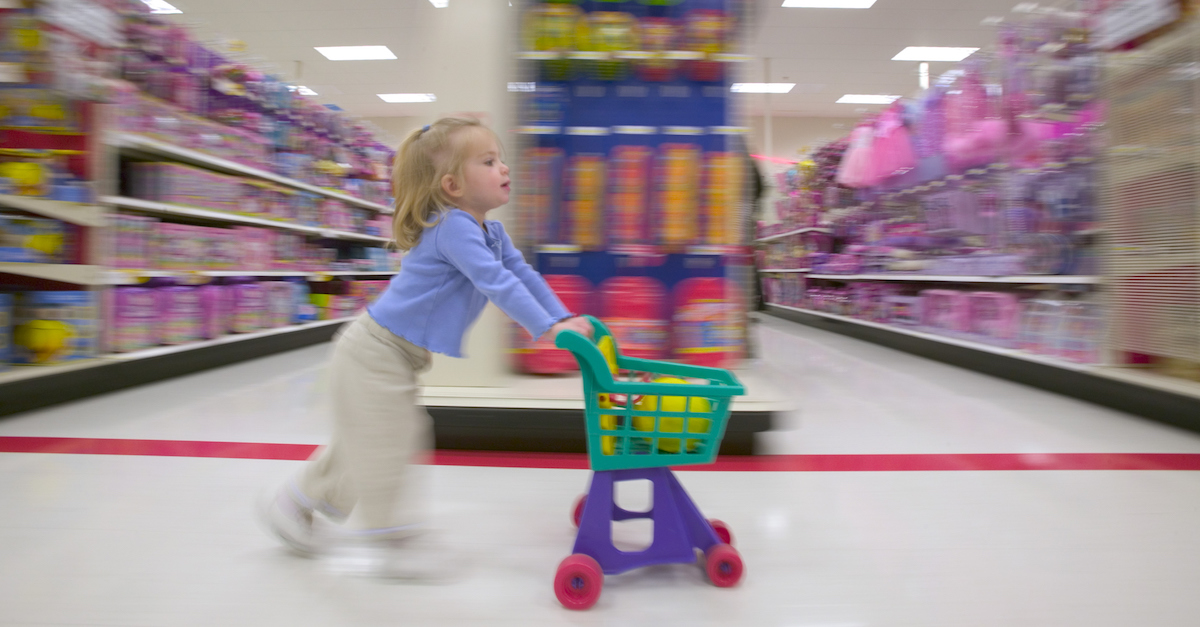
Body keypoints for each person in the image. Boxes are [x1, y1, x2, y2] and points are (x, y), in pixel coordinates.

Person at [260, 117, 593, 581]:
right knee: (394, 437)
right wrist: (546, 329)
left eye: (501, 158)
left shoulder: (491, 233)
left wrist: (559, 319)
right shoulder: (452, 227)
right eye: (488, 160)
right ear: (452, 184)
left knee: (362, 443)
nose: (503, 166)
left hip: (386, 354)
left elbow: (523, 275)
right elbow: (495, 282)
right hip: (374, 352)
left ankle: (293, 502)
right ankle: (394, 540)